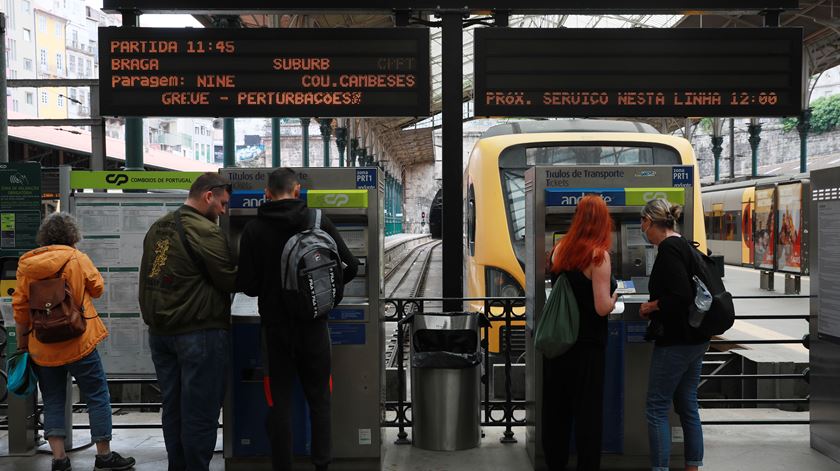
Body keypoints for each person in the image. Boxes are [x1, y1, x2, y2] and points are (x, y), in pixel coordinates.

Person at [236, 168, 359, 471]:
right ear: (297, 190)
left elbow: (248, 286)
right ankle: (321, 465)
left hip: (276, 331)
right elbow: (352, 265)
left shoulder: (253, 230)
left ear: (266, 194)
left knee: (280, 403)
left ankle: (283, 466)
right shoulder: (318, 220)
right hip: (314, 327)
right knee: (319, 400)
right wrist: (325, 293)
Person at [12, 213, 136, 471]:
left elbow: (20, 308)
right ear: (72, 235)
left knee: (53, 398)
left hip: (43, 345)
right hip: (79, 341)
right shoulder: (77, 258)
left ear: (44, 237)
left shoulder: (27, 266)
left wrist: (24, 344)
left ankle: (59, 459)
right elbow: (98, 288)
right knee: (97, 395)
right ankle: (103, 456)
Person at [139, 172, 237, 471]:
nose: (223, 211)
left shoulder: (159, 226)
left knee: (173, 408)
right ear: (209, 195)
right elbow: (229, 278)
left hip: (161, 334)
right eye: (222, 203)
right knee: (201, 411)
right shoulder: (205, 230)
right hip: (198, 332)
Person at [542, 195, 618, 471]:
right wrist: (615, 296)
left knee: (557, 412)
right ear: (602, 221)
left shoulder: (559, 249)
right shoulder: (598, 255)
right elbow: (601, 307)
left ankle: (555, 465)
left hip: (559, 344)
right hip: (587, 347)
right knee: (587, 414)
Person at [638, 199, 710, 471]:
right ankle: (693, 466)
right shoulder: (685, 244)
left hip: (676, 340)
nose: (642, 229)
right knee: (687, 403)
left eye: (642, 224)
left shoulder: (668, 249)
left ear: (648, 221)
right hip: (696, 338)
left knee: (656, 406)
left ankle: (660, 468)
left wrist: (652, 306)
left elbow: (681, 296)